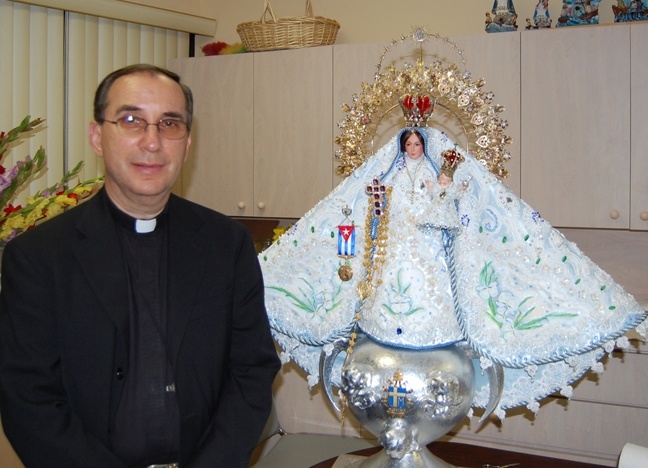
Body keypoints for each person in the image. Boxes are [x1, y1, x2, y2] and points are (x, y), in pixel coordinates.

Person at [0, 64, 281, 467]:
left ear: (187, 143)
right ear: (97, 136)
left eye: (170, 123)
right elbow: (29, 402)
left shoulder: (226, 246)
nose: (152, 142)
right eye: (132, 120)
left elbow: (251, 372)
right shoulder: (39, 257)